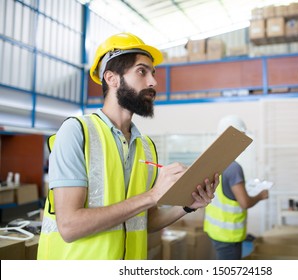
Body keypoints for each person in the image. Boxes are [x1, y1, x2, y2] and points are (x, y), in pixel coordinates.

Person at [37, 32, 219, 260]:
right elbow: (70, 226)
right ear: (112, 79)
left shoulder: (146, 146)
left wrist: (186, 207)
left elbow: (147, 221)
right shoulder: (76, 132)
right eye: (142, 71)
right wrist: (152, 196)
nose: (153, 81)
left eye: (153, 73)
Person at [203, 115, 269, 260]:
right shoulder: (234, 168)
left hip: (215, 231)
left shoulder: (212, 161)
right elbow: (244, 203)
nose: (245, 143)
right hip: (229, 235)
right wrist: (261, 195)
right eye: (243, 137)